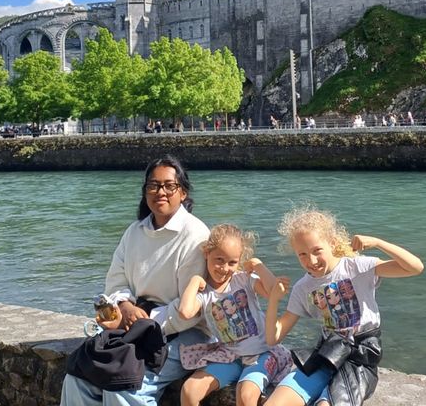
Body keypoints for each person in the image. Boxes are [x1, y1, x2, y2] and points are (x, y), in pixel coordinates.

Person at [60, 156, 211, 406]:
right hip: (135, 326)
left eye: (168, 186)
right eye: (153, 185)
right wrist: (125, 306)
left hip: (186, 332)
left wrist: (144, 323)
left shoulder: (195, 236)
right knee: (78, 378)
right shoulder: (134, 232)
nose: (160, 192)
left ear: (182, 192)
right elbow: (115, 281)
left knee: (124, 385)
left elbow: (191, 310)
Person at [264, 207, 424, 406]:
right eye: (302, 254)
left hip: (360, 360)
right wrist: (274, 299)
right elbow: (273, 338)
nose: (311, 261)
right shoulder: (303, 288)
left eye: (317, 251)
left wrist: (378, 242)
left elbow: (415, 267)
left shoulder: (358, 267)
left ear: (332, 243)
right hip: (327, 355)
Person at [177, 224, 285, 406]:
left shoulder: (243, 280)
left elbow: (275, 290)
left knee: (246, 396)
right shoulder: (205, 295)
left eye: (232, 262)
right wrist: (194, 281)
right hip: (230, 356)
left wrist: (258, 266)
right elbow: (185, 312)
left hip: (261, 353)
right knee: (189, 390)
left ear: (239, 261)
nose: (224, 268)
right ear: (206, 253)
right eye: (219, 259)